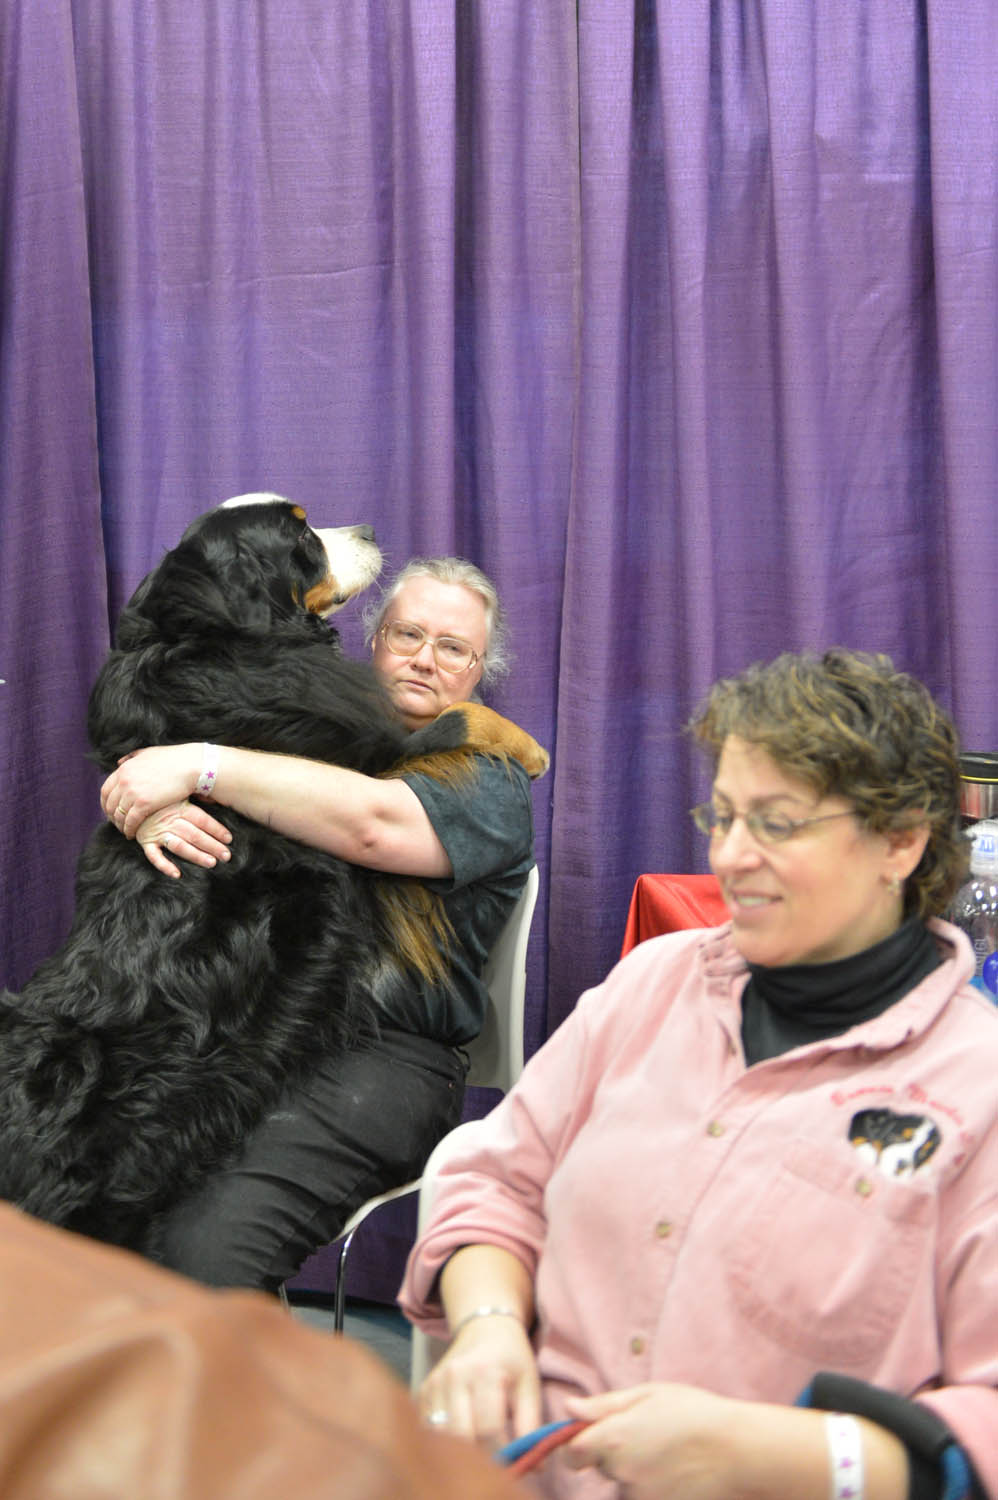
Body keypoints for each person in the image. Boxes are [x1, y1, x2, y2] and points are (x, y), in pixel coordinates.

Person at [399, 648, 998, 1500]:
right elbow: (495, 1180)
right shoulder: (655, 983)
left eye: (778, 824)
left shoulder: (976, 1090)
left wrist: (770, 1454)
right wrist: (492, 1326)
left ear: (901, 842)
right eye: (722, 817)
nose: (731, 857)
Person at [99, 557, 537, 1292]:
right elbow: (152, 767)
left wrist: (200, 768)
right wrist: (156, 813)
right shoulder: (294, 742)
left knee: (207, 1249)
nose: (425, 659)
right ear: (373, 643)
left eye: (453, 648)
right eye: (407, 634)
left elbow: (369, 823)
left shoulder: (489, 777)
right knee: (79, 1196)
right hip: (239, 1033)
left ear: (478, 670)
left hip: (384, 1054)